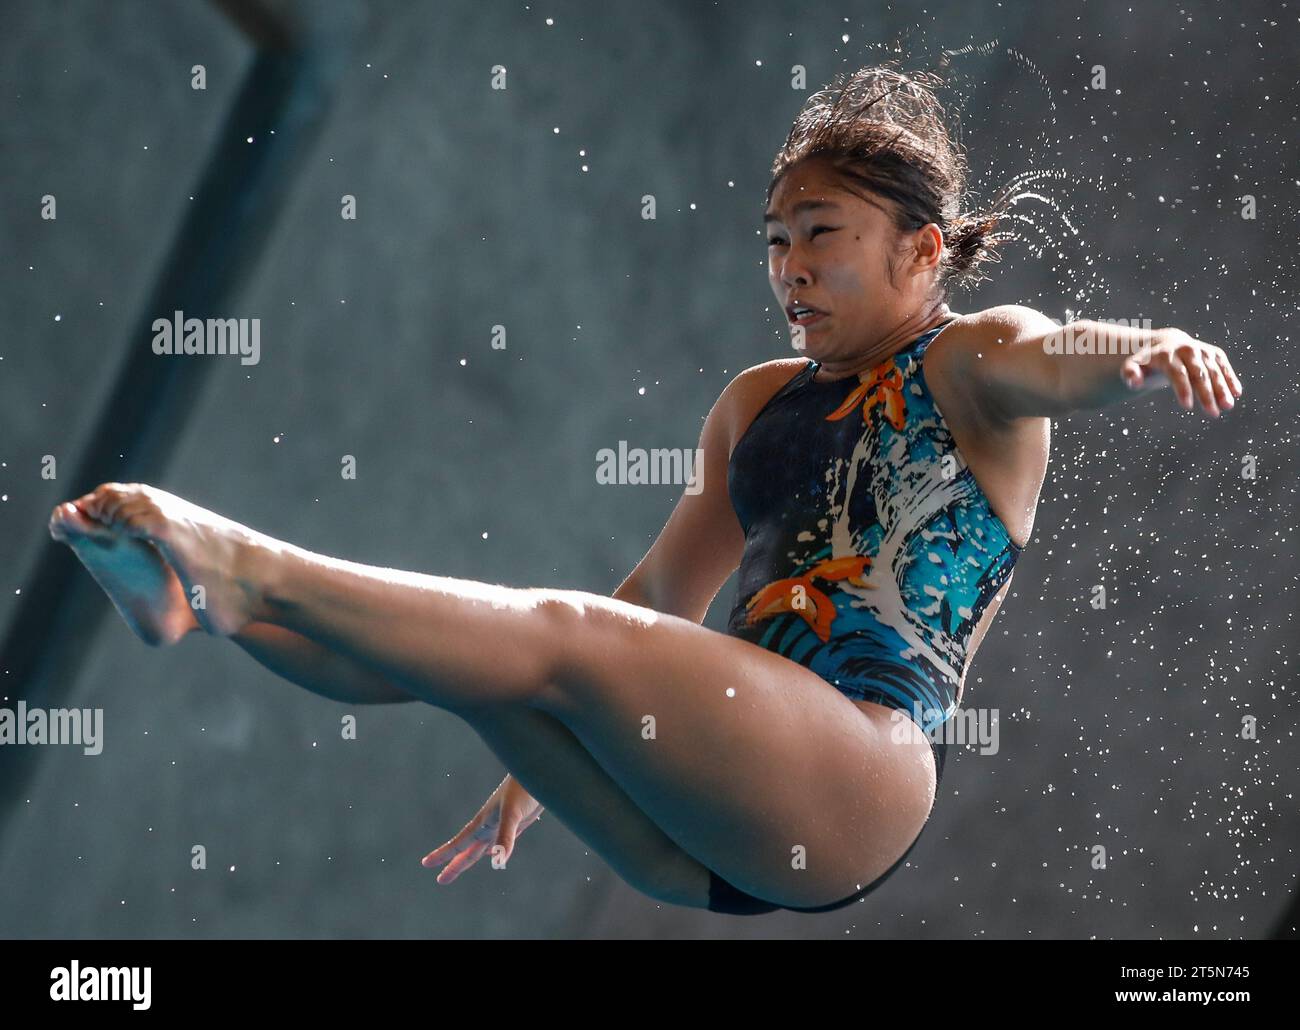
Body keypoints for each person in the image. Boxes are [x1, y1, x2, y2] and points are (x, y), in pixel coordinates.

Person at [48, 64, 1242, 915]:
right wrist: (540, 753)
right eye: (773, 240)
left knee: (555, 633)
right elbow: (662, 592)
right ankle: (203, 603)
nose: (788, 268)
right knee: (461, 672)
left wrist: (1140, 352)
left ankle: (232, 556)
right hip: (704, 842)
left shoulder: (972, 362)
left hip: (855, 778)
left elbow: (1062, 355)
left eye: (818, 233)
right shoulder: (756, 401)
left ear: (921, 249)